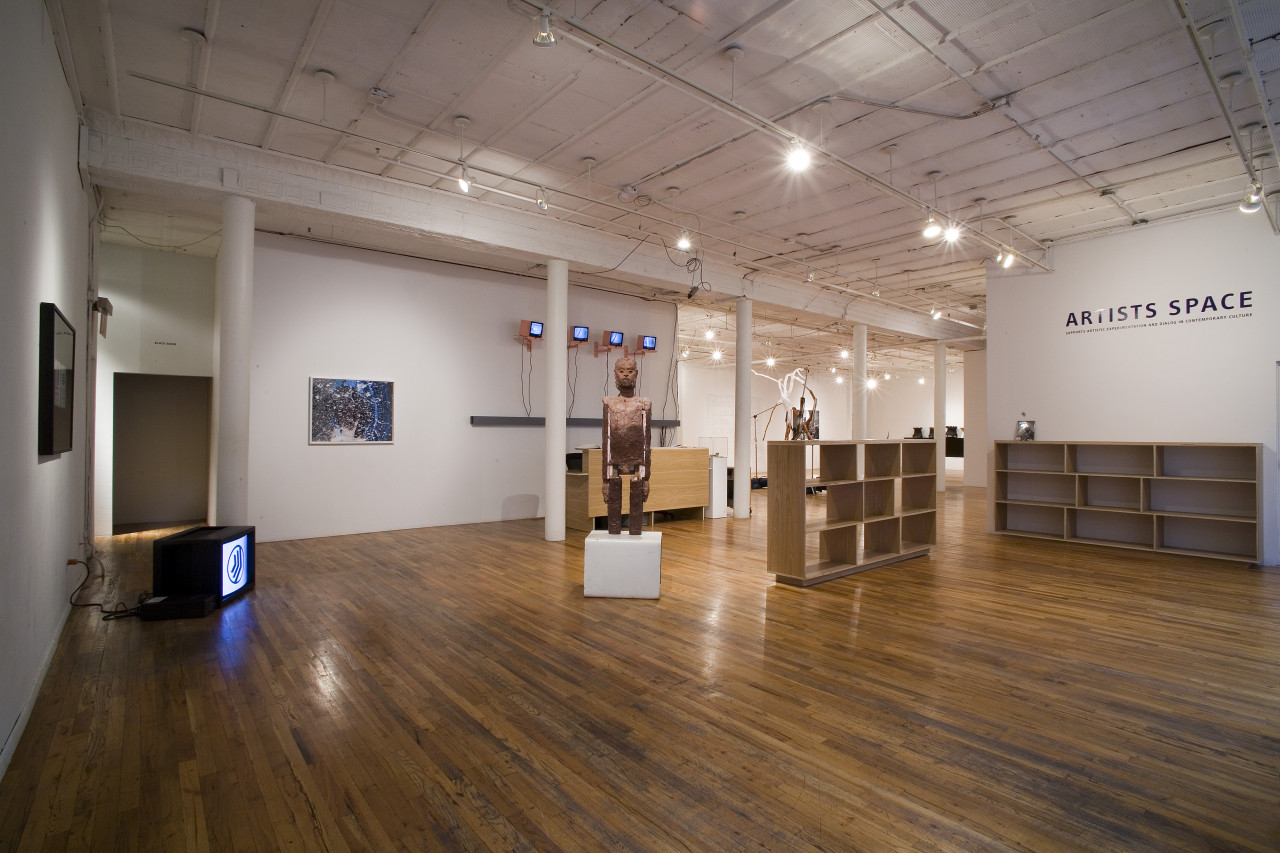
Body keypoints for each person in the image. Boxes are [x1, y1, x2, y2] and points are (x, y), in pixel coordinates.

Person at [601, 357, 651, 535]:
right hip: (614, 461)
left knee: (636, 509)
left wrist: (646, 478)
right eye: (621, 371)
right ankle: (614, 533)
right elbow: (606, 439)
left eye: (630, 371)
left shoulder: (644, 404)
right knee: (613, 511)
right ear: (615, 374)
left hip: (637, 461)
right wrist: (605, 479)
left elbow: (646, 440)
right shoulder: (608, 402)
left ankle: (635, 533)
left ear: (636, 374)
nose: (626, 375)